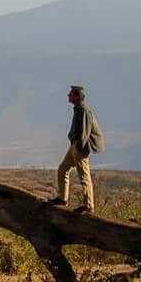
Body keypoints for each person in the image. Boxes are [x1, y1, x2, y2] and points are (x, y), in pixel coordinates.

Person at [49, 84, 102, 213]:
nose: (68, 95)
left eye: (71, 94)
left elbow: (84, 133)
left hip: (79, 148)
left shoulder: (83, 111)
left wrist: (79, 146)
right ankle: (63, 199)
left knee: (84, 177)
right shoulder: (79, 109)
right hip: (75, 146)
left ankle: (88, 205)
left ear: (77, 97)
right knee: (62, 169)